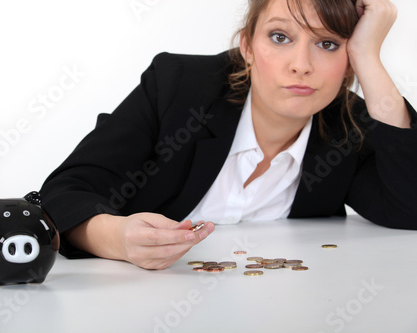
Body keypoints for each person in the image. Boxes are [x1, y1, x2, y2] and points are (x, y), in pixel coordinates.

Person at [40, 0, 417, 270]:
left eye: (328, 44)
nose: (301, 65)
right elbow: (64, 193)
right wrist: (118, 237)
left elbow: (410, 209)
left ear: (348, 60)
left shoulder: (350, 126)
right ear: (247, 47)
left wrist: (369, 56)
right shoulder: (177, 86)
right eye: (280, 37)